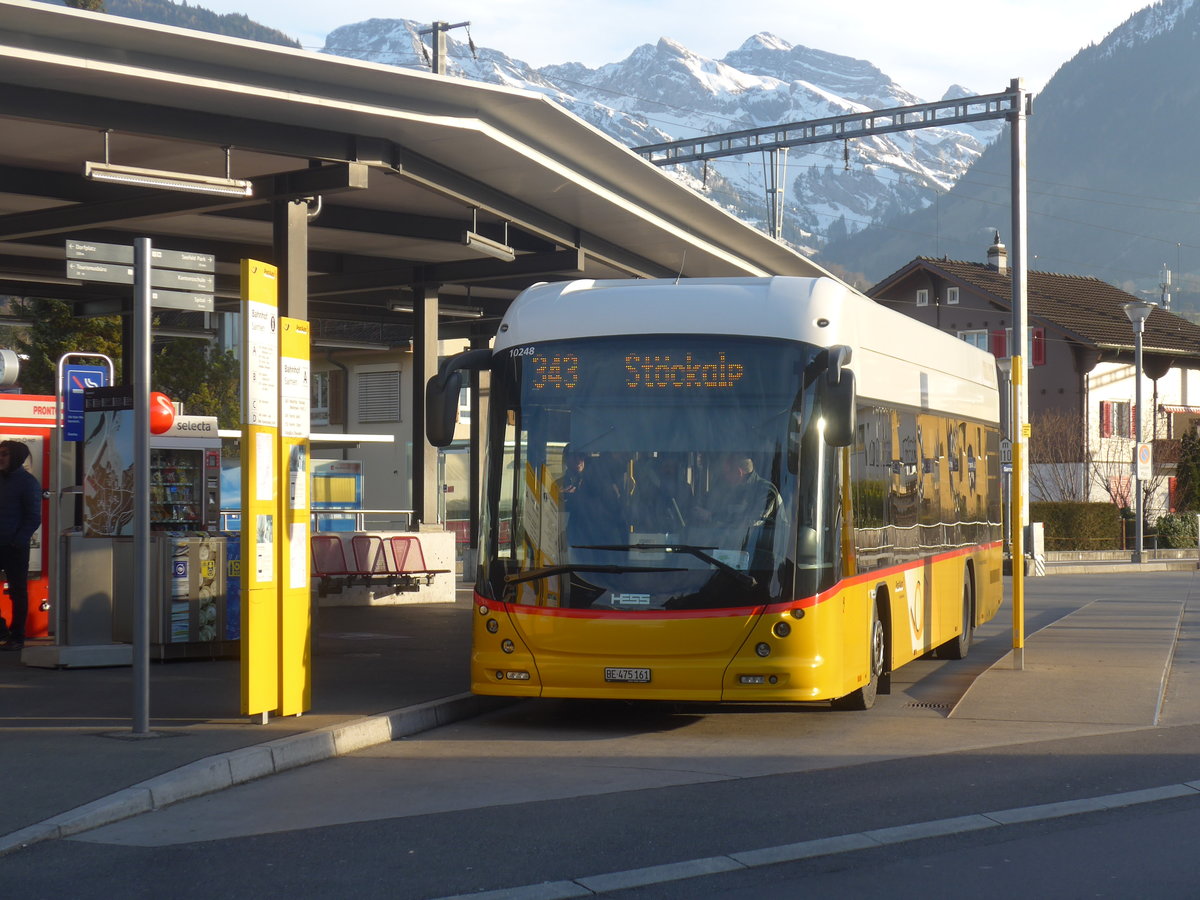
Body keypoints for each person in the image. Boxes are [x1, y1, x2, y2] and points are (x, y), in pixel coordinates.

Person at [0, 440, 42, 651]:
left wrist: (18, 541)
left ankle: (17, 636)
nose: (1, 457)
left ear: (15, 456)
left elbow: (34, 517)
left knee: (17, 591)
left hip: (14, 546)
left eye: (5, 453)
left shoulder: (28, 483)